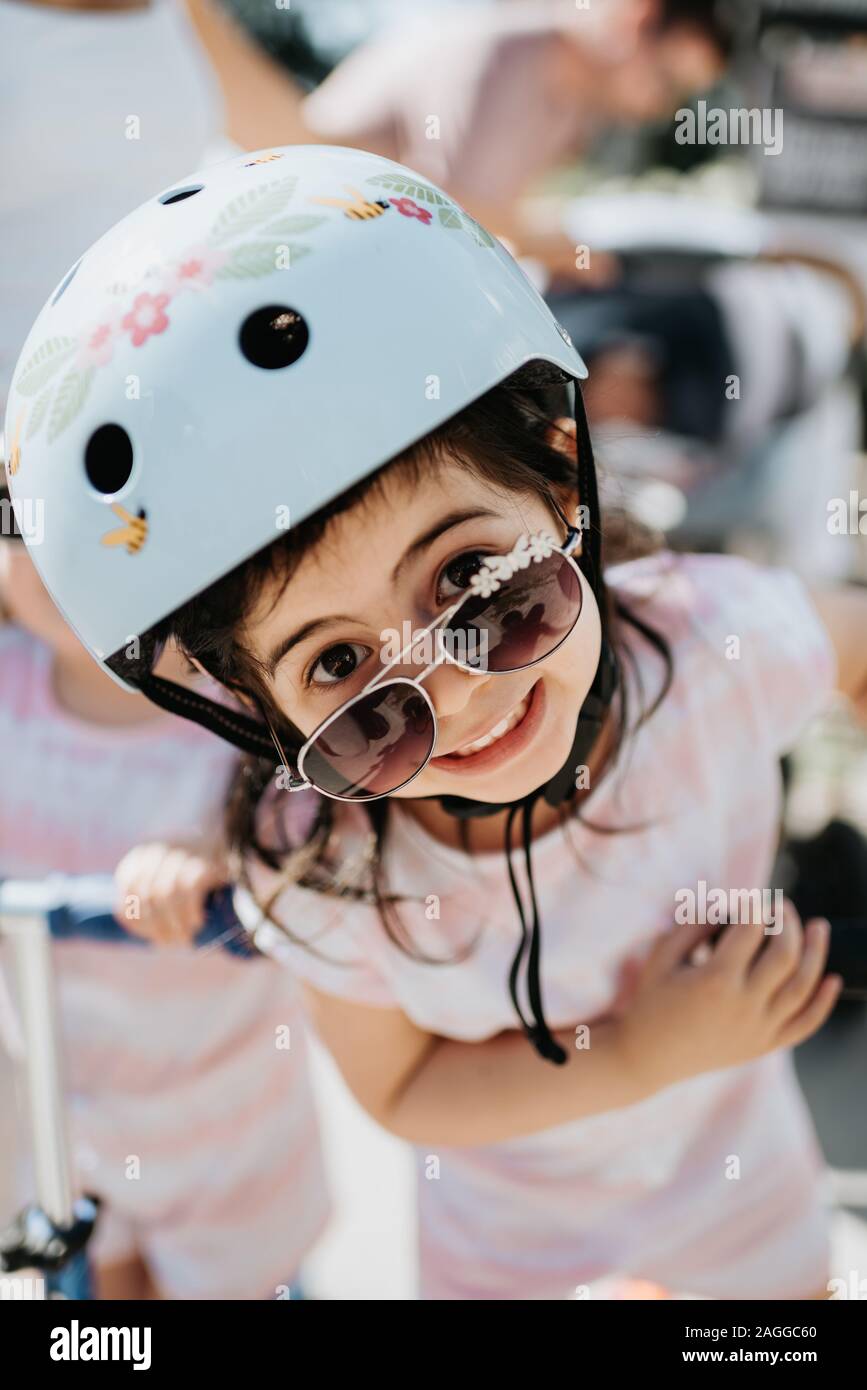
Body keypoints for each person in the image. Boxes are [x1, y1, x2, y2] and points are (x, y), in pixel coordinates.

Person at [7, 144, 867, 1301]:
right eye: (342, 666)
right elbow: (400, 1088)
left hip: (736, 1177)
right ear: (258, 712)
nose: (455, 693)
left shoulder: (713, 650)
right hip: (505, 1244)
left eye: (483, 585)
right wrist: (649, 1053)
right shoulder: (322, 864)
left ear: (565, 483)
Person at [0, 477, 330, 1299]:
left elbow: (319, 839)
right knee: (98, 1295)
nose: (63, 562)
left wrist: (223, 849)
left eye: (101, 533)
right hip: (60, 1106)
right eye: (30, 536)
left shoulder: (242, 706)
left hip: (227, 1111)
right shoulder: (7, 684)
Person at [303, 0, 731, 282]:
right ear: (635, 20)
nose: (662, 106)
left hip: (366, 258)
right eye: (668, 81)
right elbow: (453, 223)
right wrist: (560, 249)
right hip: (311, 239)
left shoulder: (575, 105)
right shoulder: (502, 52)